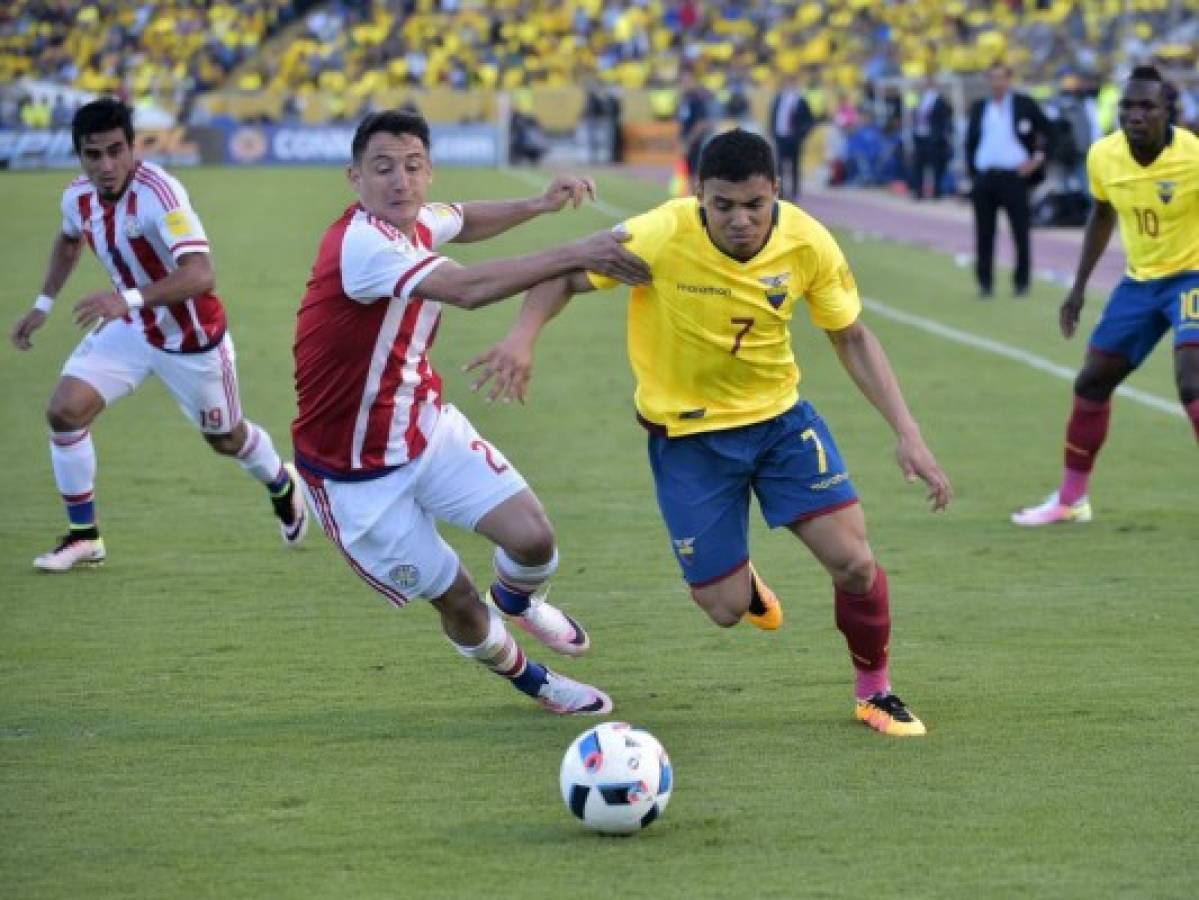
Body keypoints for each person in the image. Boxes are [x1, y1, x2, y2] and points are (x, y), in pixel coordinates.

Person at [469, 129, 953, 737]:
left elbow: (850, 335)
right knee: (724, 611)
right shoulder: (663, 234)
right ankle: (740, 582)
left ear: (776, 190)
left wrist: (908, 432)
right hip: (689, 441)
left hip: (780, 424)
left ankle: (875, 692)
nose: (740, 219)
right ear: (700, 195)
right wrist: (522, 337)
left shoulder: (807, 241)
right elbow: (567, 272)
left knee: (854, 563)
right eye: (722, 205)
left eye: (754, 204)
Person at [291, 111, 651, 716]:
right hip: (353, 475)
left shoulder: (413, 222)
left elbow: (461, 218)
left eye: (412, 167)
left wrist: (537, 204)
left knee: (534, 539)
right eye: (382, 168)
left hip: (423, 427)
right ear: (355, 177)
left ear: (428, 171)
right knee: (457, 600)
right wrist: (573, 251)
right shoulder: (362, 244)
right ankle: (536, 683)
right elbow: (468, 289)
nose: (399, 181)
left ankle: (517, 601)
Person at [10, 97, 308, 572]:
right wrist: (43, 304)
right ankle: (85, 536)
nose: (106, 165)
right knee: (64, 411)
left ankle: (281, 483)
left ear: (133, 148)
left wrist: (123, 299)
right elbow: (69, 239)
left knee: (226, 440)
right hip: (132, 328)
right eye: (93, 154)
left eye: (115, 151)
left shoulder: (160, 195)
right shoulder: (77, 197)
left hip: (192, 338)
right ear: (79, 155)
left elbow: (202, 274)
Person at [1012, 66, 1199, 527]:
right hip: (1139, 284)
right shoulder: (1103, 156)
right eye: (1128, 106)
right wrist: (1077, 290)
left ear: (1168, 111)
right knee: (1092, 382)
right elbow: (1101, 216)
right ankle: (1071, 499)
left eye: (1147, 106)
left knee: (1193, 382)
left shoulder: (1193, 155)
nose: (1135, 115)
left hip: (1192, 278)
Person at [965, 62, 1054, 298]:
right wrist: (972, 174)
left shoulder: (1024, 104)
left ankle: (1021, 282)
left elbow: (1049, 131)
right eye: (993, 78)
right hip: (985, 177)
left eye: (1001, 77)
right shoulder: (979, 107)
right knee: (984, 233)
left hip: (1014, 177)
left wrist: (1037, 160)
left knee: (1020, 232)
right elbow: (970, 142)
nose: (997, 83)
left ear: (1009, 79)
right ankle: (985, 283)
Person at [769, 73, 814, 200]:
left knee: (794, 165)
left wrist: (800, 134)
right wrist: (773, 131)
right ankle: (780, 192)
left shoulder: (801, 101)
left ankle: (794, 193)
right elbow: (773, 116)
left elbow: (809, 120)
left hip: (794, 138)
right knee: (779, 166)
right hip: (780, 136)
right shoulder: (778, 99)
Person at [908, 76, 953, 200]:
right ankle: (919, 191)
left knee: (936, 165)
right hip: (920, 135)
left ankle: (936, 191)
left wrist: (941, 136)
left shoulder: (939, 100)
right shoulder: (919, 99)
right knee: (918, 164)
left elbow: (944, 119)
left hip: (933, 138)